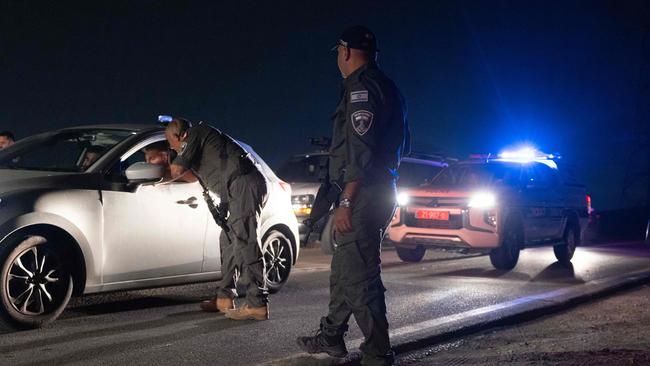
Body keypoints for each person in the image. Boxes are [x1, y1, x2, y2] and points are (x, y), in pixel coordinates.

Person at [296, 26, 410, 366]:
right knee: (345, 271)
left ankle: (378, 353)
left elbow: (360, 150)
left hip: (362, 196)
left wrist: (346, 201)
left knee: (361, 279)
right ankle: (331, 336)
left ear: (345, 52)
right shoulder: (388, 87)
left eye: (337, 53)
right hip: (377, 191)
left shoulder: (361, 88)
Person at [165, 117, 270, 320]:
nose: (172, 147)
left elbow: (177, 170)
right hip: (238, 188)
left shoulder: (195, 134)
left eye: (171, 143)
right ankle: (224, 298)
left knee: (245, 242)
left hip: (243, 186)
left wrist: (165, 165)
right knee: (228, 241)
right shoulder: (200, 141)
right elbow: (193, 177)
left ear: (179, 136)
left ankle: (257, 304)